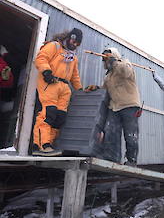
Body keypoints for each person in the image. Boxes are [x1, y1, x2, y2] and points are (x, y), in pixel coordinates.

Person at [85, 47, 141, 166]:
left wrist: (114, 61)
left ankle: (132, 161)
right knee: (110, 131)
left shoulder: (125, 63)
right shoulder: (109, 77)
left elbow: (125, 72)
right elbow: (105, 90)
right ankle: (112, 156)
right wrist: (96, 88)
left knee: (130, 134)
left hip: (129, 106)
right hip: (115, 107)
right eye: (104, 59)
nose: (106, 61)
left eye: (107, 58)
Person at [32, 28, 83, 156]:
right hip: (50, 84)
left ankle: (49, 145)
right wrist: (47, 72)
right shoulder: (54, 46)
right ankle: (40, 146)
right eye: (74, 41)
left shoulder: (73, 57)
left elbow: (75, 77)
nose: (75, 45)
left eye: (78, 44)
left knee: (59, 117)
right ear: (69, 37)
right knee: (47, 113)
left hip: (64, 89)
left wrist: (80, 91)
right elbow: (41, 58)